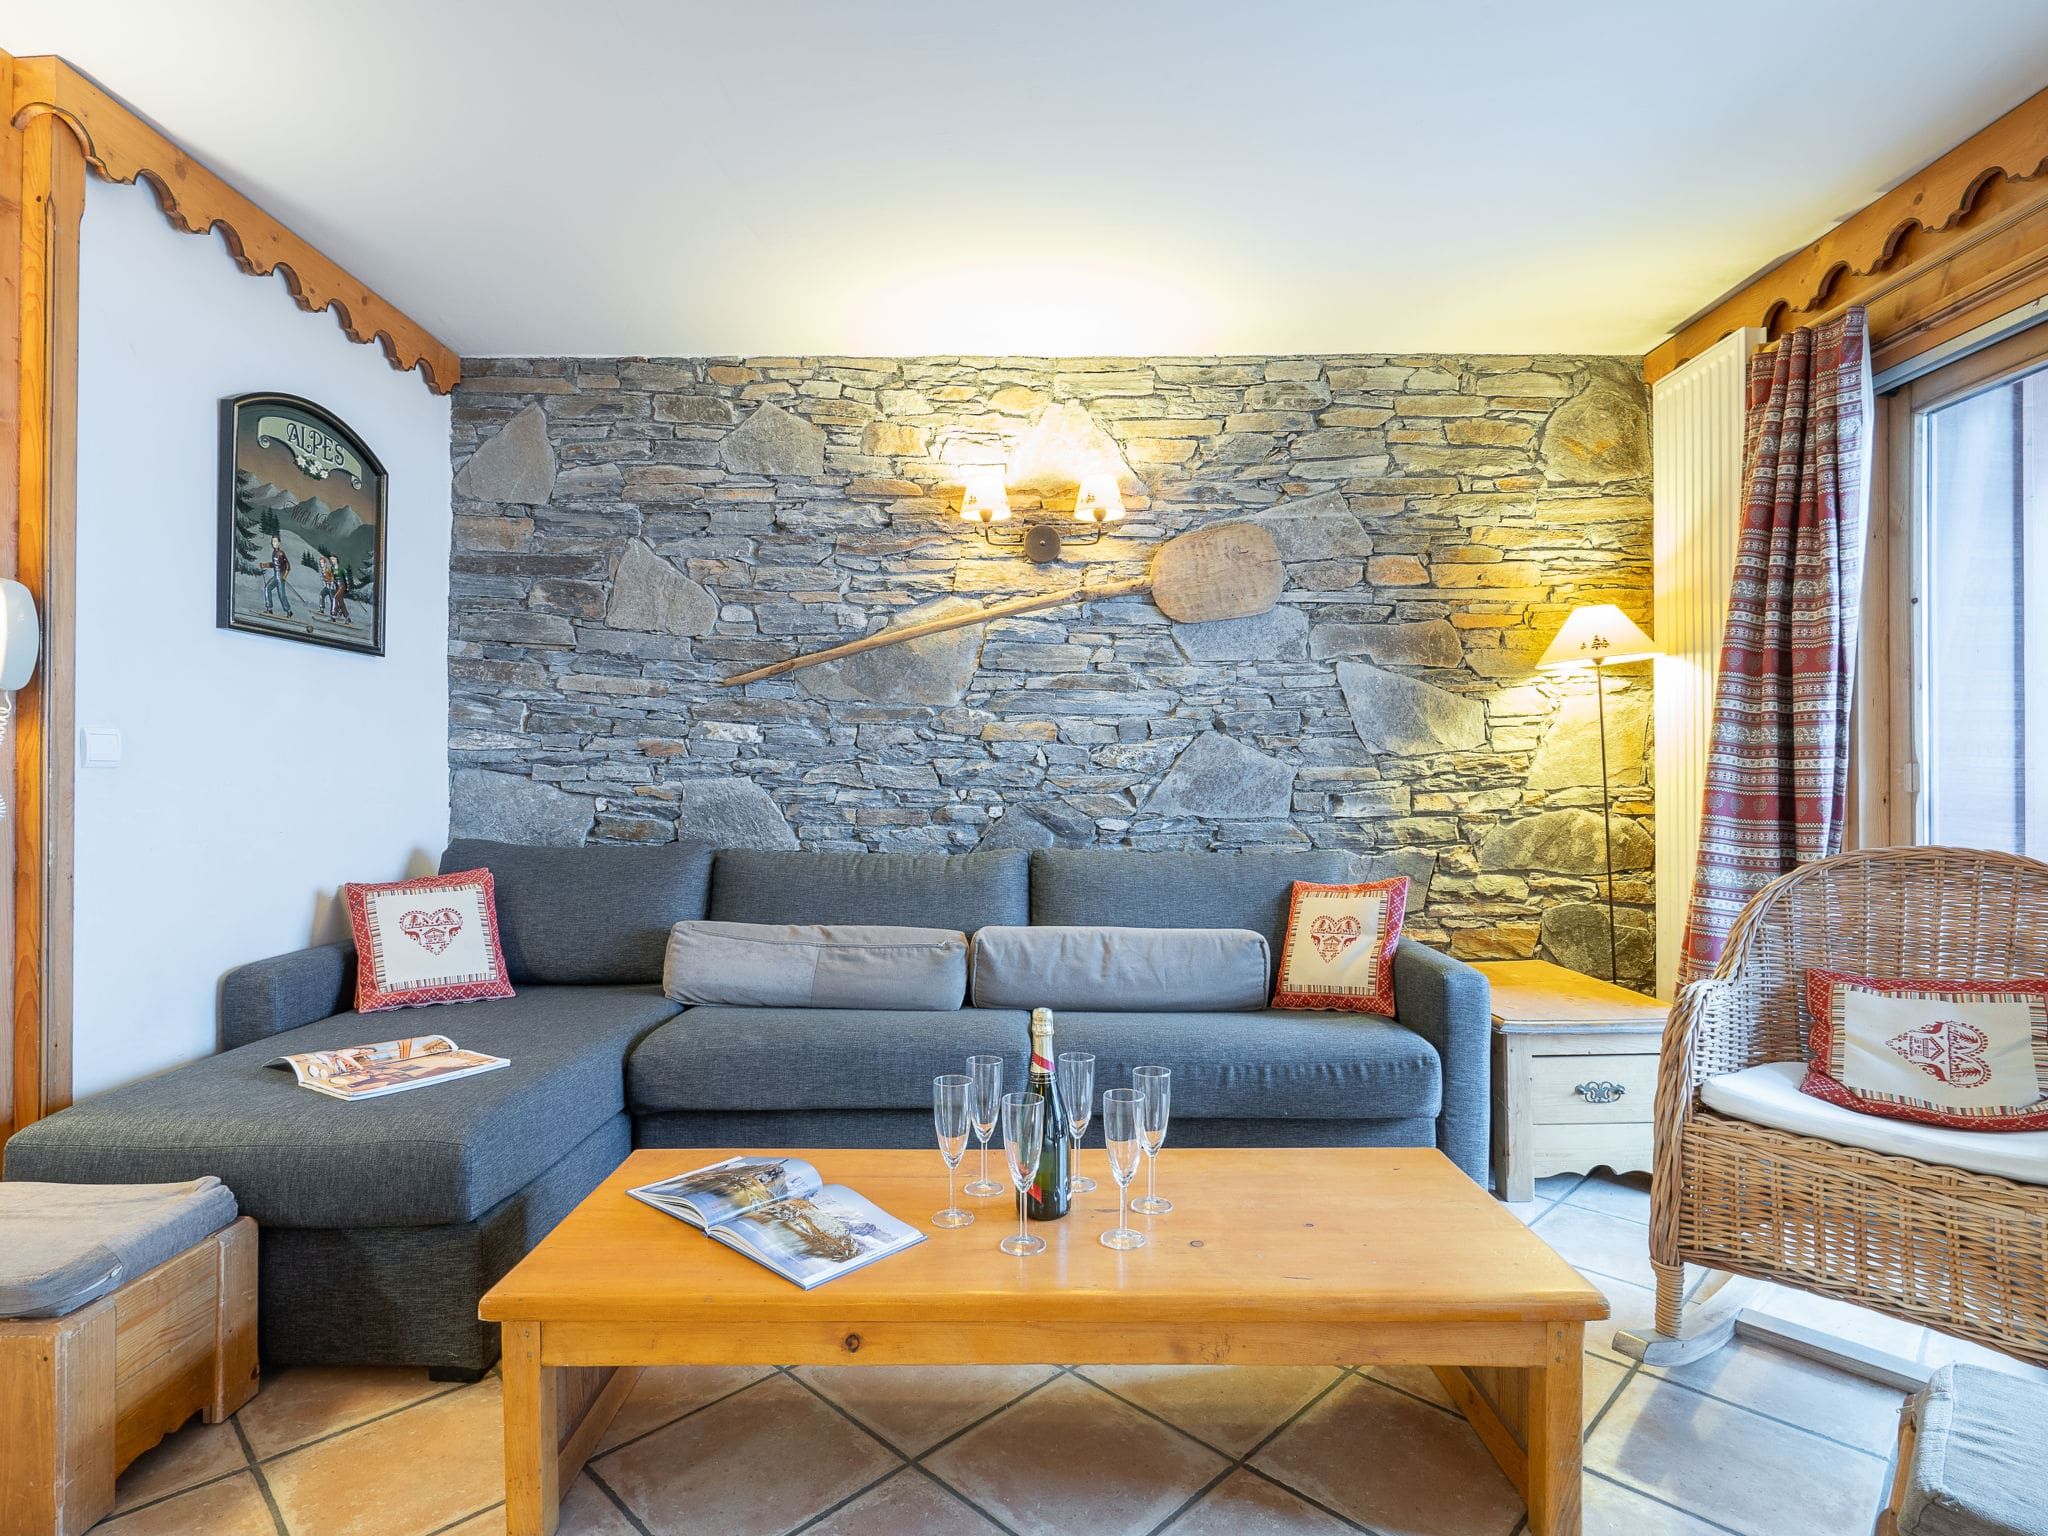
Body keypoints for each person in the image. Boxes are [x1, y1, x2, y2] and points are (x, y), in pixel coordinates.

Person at [261, 536, 293, 617]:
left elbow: (288, 566)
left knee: (281, 594)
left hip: (281, 575)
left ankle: (289, 611)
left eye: (275, 541)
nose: (273, 543)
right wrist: (265, 565)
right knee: (267, 588)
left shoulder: (281, 553)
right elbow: (274, 564)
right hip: (276, 575)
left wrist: (284, 576)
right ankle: (269, 609)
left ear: (279, 543)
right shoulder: (274, 553)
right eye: (272, 541)